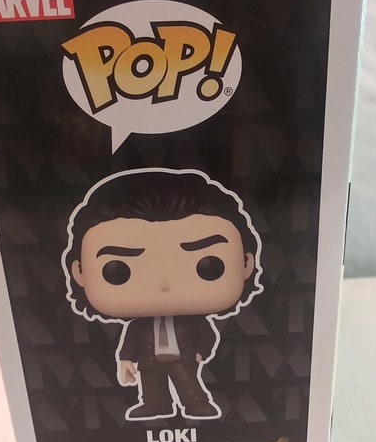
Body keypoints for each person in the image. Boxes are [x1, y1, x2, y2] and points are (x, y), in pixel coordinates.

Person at [63, 168, 263, 420]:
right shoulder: (138, 327)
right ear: (79, 272)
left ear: (246, 264)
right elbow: (129, 343)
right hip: (150, 360)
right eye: (117, 271)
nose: (164, 285)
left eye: (209, 266)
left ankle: (196, 404)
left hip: (182, 358)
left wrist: (201, 352)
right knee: (151, 387)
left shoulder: (193, 322)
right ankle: (155, 405)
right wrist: (125, 361)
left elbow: (207, 335)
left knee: (189, 385)